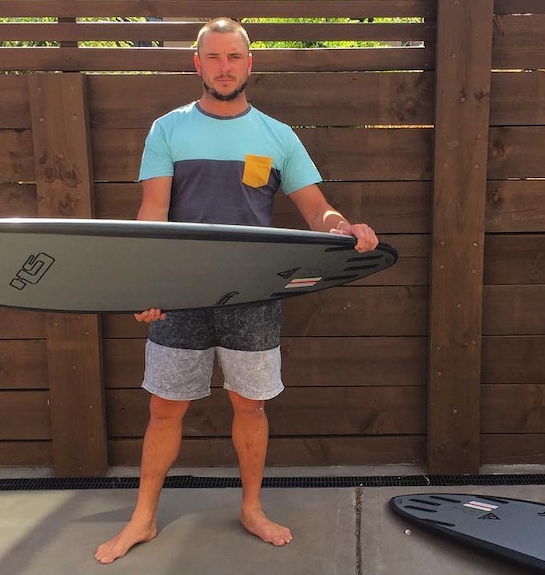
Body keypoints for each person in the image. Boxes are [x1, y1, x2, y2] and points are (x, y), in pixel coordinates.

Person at [95, 17, 379, 565]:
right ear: (196, 63)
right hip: (180, 295)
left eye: (234, 57)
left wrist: (342, 226)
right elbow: (152, 214)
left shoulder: (277, 135)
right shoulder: (168, 130)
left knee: (250, 409)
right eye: (214, 57)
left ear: (250, 64)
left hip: (254, 296)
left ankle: (251, 508)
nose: (224, 67)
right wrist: (146, 283)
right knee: (163, 411)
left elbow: (316, 209)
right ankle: (143, 517)